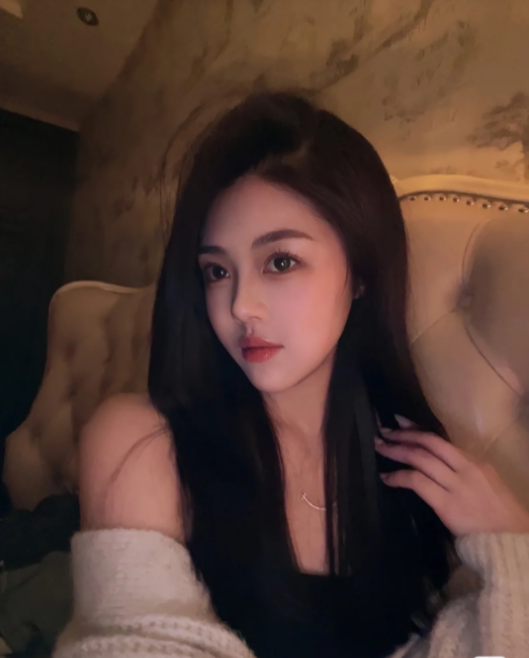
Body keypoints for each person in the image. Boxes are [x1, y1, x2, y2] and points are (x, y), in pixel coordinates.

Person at [53, 92, 529, 658]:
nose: (239, 306)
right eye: (216, 271)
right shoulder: (142, 440)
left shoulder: (414, 470)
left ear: (361, 273)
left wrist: (513, 544)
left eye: (280, 261)